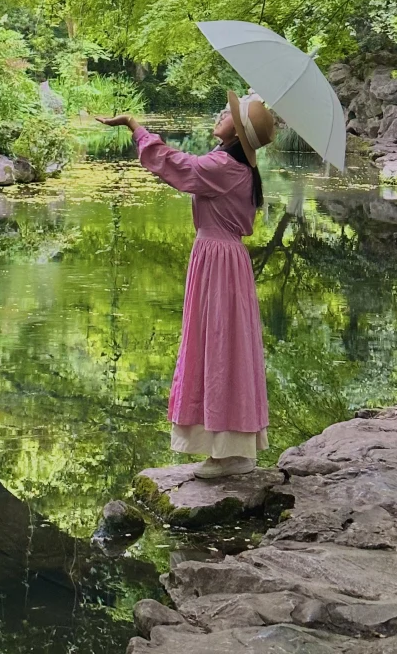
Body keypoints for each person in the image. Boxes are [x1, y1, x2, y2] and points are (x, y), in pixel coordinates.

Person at [97, 92, 275, 479]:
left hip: (218, 260)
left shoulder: (225, 166)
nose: (220, 115)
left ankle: (227, 453)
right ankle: (232, 448)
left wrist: (135, 127)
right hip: (224, 259)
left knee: (217, 345)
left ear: (238, 132)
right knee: (224, 344)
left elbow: (177, 166)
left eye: (228, 114)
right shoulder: (233, 164)